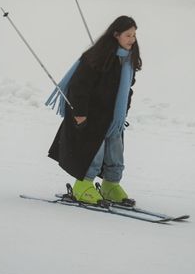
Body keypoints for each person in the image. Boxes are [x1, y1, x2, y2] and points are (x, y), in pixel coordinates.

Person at [46, 16, 141, 205]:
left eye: (134, 35)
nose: (132, 39)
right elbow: (79, 86)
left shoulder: (127, 61)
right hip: (91, 115)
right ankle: (83, 185)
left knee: (115, 151)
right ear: (116, 35)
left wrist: (123, 112)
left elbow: (128, 89)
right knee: (93, 152)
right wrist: (80, 114)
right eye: (128, 35)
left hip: (113, 118)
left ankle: (110, 185)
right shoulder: (97, 58)